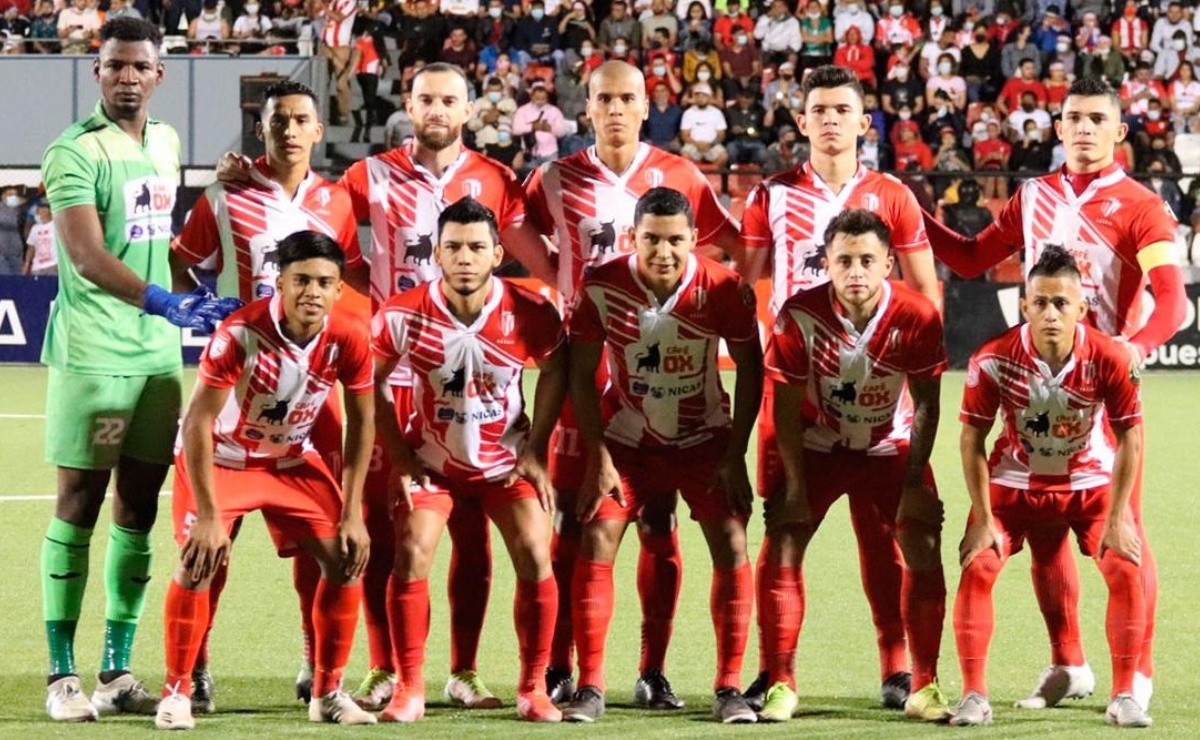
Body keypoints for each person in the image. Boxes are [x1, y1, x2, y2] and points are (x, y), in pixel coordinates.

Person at [218, 61, 556, 713]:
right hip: (388, 375)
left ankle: (464, 670)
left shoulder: (495, 180)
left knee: (474, 535)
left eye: (449, 99)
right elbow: (313, 225)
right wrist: (249, 173)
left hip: (472, 378)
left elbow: (536, 256)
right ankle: (385, 667)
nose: (436, 109)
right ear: (409, 104)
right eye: (425, 98)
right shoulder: (365, 176)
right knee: (378, 525)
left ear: (468, 108)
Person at [922, 77, 1187, 714]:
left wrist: (1135, 348)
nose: (1085, 128)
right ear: (1058, 127)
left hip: (1100, 390)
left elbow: (1173, 301)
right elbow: (967, 259)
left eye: (1098, 119)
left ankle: (1138, 673)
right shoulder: (1032, 195)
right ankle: (1070, 663)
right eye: (1073, 118)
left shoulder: (1143, 206)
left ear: (1120, 131)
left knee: (1123, 533)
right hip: (1033, 386)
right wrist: (911, 217)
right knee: (1043, 535)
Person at [38, 17, 240, 723]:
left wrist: (190, 289)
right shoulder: (72, 152)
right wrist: (161, 300)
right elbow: (89, 255)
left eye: (139, 67)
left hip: (158, 358)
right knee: (79, 507)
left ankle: (116, 673)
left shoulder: (166, 142)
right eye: (115, 65)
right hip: (94, 353)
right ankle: (61, 676)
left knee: (139, 511)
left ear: (160, 75)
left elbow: (158, 242)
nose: (127, 77)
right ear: (97, 72)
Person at [523, 60, 743, 708]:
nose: (616, 109)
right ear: (586, 106)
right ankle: (563, 665)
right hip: (582, 365)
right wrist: (561, 281)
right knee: (575, 514)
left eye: (627, 98)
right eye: (604, 99)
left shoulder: (681, 176)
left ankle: (652, 671)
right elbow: (517, 228)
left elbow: (734, 242)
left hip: (659, 371)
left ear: (646, 106)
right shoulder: (555, 178)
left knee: (657, 515)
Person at [738, 65, 941, 714]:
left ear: (863, 122)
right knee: (782, 530)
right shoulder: (770, 195)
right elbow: (745, 290)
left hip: (879, 392)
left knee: (883, 536)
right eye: (817, 109)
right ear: (800, 121)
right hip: (796, 395)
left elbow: (927, 291)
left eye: (841, 110)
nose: (829, 119)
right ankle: (775, 671)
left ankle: (897, 665)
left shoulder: (895, 195)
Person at [172, 79, 368, 713]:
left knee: (323, 541)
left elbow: (350, 281)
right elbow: (181, 265)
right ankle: (195, 667)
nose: (288, 129)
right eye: (277, 119)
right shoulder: (225, 197)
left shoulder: (336, 202)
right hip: (237, 385)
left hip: (310, 400)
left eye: (300, 120)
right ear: (262, 128)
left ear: (317, 130)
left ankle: (319, 666)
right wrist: (206, 311)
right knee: (211, 546)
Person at [153, 231, 377, 731]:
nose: (312, 292)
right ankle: (177, 692)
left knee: (347, 558)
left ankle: (328, 692)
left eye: (324, 282)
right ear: (279, 282)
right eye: (300, 280)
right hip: (224, 459)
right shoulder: (239, 333)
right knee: (198, 560)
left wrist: (353, 511)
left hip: (290, 461)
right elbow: (197, 423)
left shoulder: (350, 335)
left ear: (341, 289)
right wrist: (209, 516)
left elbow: (363, 424)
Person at [562, 187, 763, 724]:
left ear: (695, 240)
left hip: (704, 440)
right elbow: (580, 373)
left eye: (676, 240)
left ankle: (728, 687)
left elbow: (752, 367)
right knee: (600, 532)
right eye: (651, 238)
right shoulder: (602, 285)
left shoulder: (723, 288)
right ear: (632, 237)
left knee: (730, 538)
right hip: (628, 440)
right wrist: (598, 453)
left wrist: (736, 451)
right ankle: (591, 684)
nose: (664, 251)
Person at [370, 198, 567, 723]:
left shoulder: (530, 312)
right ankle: (408, 689)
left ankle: (533, 688)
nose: (464, 257)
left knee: (535, 551)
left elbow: (554, 370)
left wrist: (536, 447)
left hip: (504, 466)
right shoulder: (402, 314)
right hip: (434, 464)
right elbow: (373, 382)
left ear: (498, 254)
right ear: (435, 252)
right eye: (453, 247)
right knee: (412, 551)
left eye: (476, 247)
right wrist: (399, 456)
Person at [755, 208, 949, 723]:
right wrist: (793, 485)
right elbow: (787, 407)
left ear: (890, 262)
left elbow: (928, 403)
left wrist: (914, 485)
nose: (856, 271)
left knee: (922, 538)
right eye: (844, 260)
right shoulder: (799, 314)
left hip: (889, 444)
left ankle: (924, 685)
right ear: (826, 262)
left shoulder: (918, 315)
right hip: (819, 443)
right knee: (783, 541)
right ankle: (780, 682)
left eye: (868, 260)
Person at [951, 246, 1151, 729]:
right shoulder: (993, 359)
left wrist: (1121, 515)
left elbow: (1131, 437)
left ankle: (1125, 694)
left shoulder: (1110, 357)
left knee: (1125, 565)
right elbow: (970, 439)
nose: (1050, 313)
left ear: (1081, 309)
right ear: (1025, 306)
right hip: (1015, 485)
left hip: (1088, 484)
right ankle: (974, 695)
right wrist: (980, 515)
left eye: (1062, 303)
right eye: (1039, 302)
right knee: (978, 566)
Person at [320, 0, 357, 124]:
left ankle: (343, 113)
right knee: (322, 81)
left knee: (341, 83)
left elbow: (338, 17)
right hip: (325, 46)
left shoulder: (350, 2)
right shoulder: (331, 2)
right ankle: (321, 112)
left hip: (341, 47)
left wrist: (323, 7)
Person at [24, 200, 58, 276]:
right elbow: (31, 248)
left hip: (54, 265)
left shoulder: (57, 225)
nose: (38, 213)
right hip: (37, 267)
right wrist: (27, 264)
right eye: (38, 210)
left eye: (41, 210)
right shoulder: (35, 228)